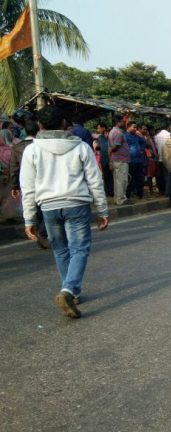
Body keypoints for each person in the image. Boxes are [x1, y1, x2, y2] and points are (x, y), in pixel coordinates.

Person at [19, 105, 109, 318]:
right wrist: (103, 210)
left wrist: (29, 219)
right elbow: (95, 180)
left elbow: (28, 187)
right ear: (64, 124)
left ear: (40, 125)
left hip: (48, 206)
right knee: (79, 249)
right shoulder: (81, 147)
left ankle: (71, 290)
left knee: (60, 250)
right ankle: (69, 290)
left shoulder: (32, 150)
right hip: (77, 204)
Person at [10, 117, 48, 249]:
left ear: (25, 132)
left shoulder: (17, 148)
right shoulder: (43, 145)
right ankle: (42, 233)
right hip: (44, 181)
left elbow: (14, 168)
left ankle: (38, 231)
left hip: (26, 182)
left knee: (34, 208)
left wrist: (14, 186)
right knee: (44, 208)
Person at [108, 116, 131, 205]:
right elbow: (115, 146)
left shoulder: (112, 131)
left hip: (117, 159)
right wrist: (111, 152)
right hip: (121, 160)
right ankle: (121, 199)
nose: (124, 123)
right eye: (122, 121)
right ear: (118, 122)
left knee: (117, 180)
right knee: (122, 180)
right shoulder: (118, 133)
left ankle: (117, 198)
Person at [124, 121, 146, 200]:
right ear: (128, 127)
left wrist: (141, 149)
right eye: (134, 127)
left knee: (139, 178)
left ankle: (140, 194)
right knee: (130, 179)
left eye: (136, 127)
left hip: (138, 160)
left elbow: (144, 142)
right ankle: (128, 194)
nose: (135, 129)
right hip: (130, 161)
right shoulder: (125, 136)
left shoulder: (137, 136)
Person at [93, 122, 113, 197]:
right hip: (103, 159)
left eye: (99, 128)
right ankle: (108, 192)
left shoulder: (110, 135)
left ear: (104, 128)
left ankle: (112, 192)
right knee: (106, 176)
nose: (98, 130)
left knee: (112, 176)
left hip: (111, 159)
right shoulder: (100, 137)